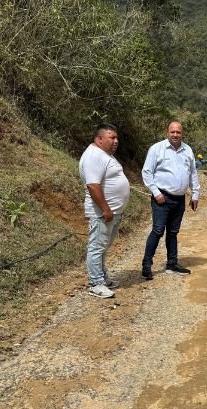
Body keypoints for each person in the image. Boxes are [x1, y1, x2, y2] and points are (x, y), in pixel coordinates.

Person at [141, 121, 200, 280]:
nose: (175, 135)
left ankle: (172, 263)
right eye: (172, 132)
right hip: (162, 198)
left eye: (178, 132)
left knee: (173, 232)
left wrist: (195, 193)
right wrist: (155, 192)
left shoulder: (188, 150)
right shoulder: (156, 149)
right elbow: (147, 172)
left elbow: (192, 173)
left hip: (180, 199)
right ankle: (147, 264)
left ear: (182, 133)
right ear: (167, 132)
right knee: (158, 230)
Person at [79, 123, 130, 298]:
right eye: (111, 138)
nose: (116, 141)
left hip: (112, 213)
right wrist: (105, 209)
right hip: (102, 213)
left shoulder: (104, 155)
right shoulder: (94, 156)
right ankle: (96, 283)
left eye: (116, 138)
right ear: (99, 139)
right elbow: (93, 186)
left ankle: (102, 276)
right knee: (97, 246)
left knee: (103, 247)